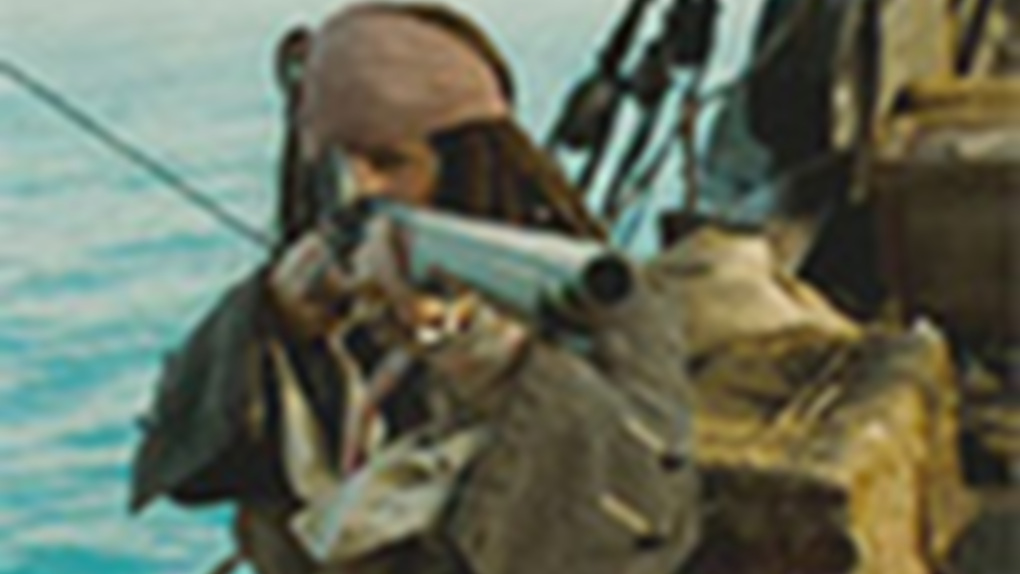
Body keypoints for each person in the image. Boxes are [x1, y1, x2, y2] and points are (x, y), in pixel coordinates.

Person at [130, 3, 698, 574]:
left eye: (389, 162)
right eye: (336, 163)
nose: (358, 190)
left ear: (461, 162)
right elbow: (190, 470)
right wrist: (274, 320)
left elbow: (642, 520)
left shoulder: (594, 296)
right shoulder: (318, 292)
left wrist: (492, 363)